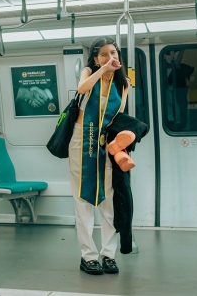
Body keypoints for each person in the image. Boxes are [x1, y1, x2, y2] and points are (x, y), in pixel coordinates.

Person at [69, 36, 130, 275]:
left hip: (105, 142)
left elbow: (118, 116)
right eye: (103, 54)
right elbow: (82, 89)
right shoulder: (89, 72)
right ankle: (88, 256)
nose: (110, 57)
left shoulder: (122, 83)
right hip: (81, 140)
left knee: (108, 199)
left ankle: (108, 254)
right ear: (95, 59)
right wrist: (102, 70)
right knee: (82, 199)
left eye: (113, 53)